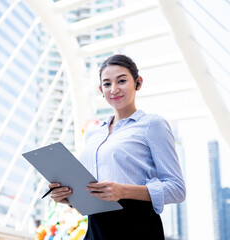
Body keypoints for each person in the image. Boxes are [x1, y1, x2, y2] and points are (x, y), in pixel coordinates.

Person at [48, 54, 186, 239]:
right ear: (100, 89)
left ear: (138, 83)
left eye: (121, 81)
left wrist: (122, 191)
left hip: (137, 228)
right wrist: (69, 197)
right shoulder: (93, 134)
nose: (114, 89)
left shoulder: (153, 124)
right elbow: (91, 191)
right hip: (96, 229)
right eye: (107, 84)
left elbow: (177, 189)